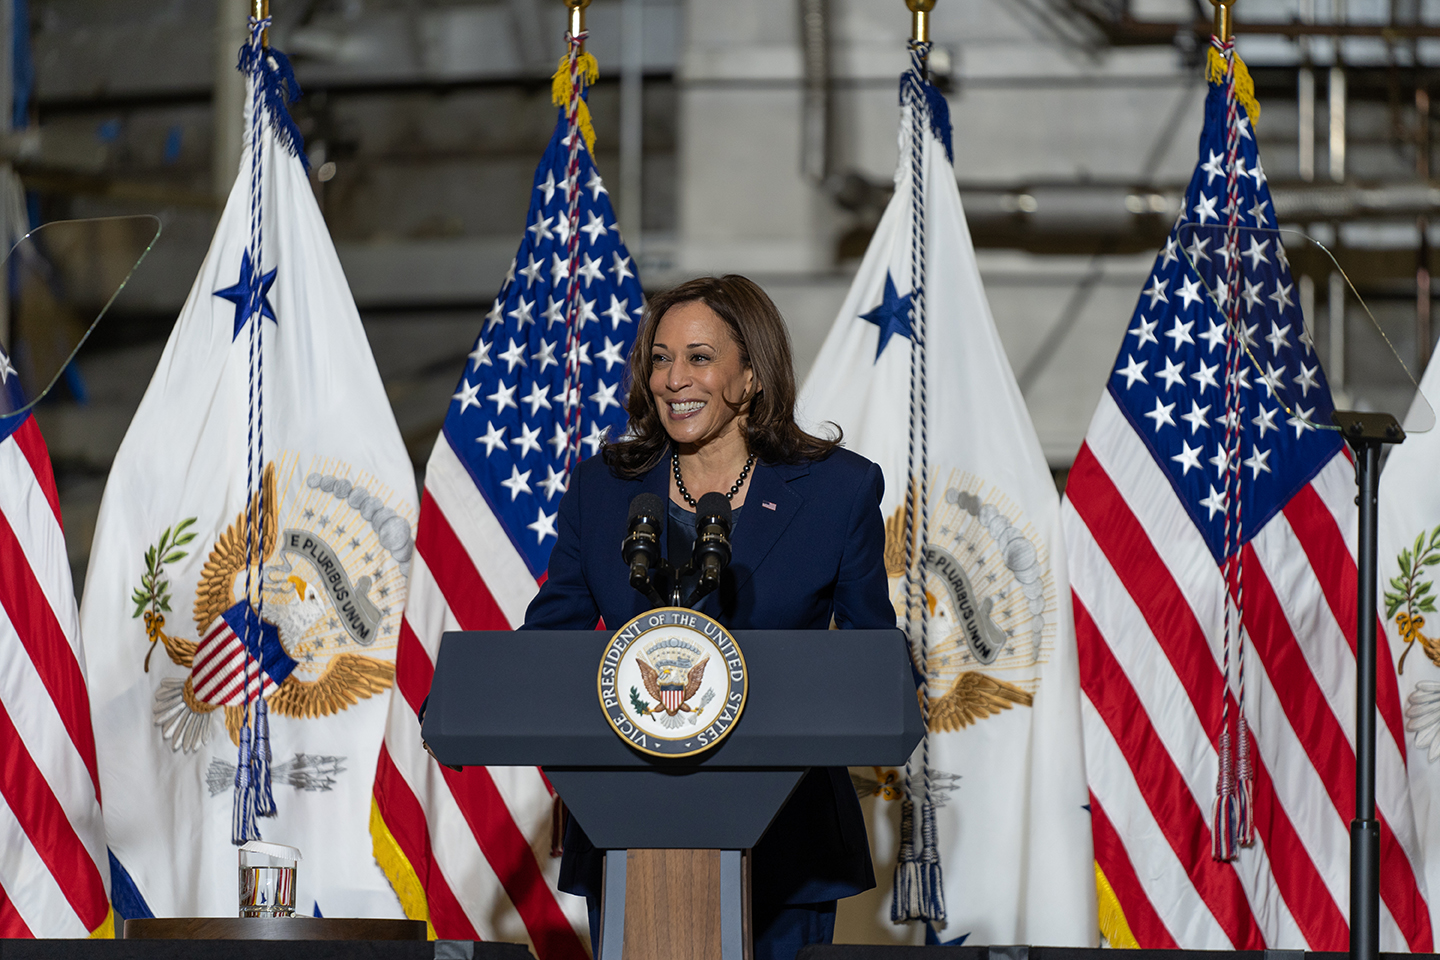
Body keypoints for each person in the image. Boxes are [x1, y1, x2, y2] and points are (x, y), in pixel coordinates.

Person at [522, 274, 893, 960]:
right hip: (627, 824)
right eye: (660, 358)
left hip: (788, 838)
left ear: (750, 374)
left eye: (698, 357)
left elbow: (875, 661)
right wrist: (477, 694)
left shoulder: (838, 491)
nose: (672, 378)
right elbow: (548, 641)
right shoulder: (604, 491)